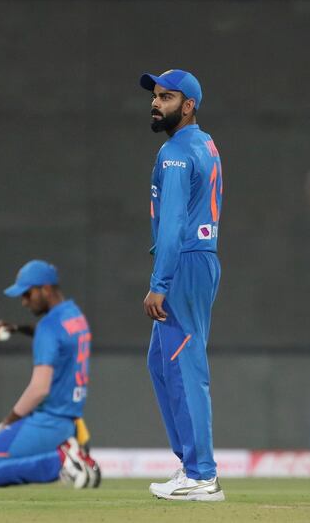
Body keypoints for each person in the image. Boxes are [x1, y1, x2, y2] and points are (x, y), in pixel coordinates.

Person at [139, 69, 224, 501]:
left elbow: (171, 226)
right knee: (161, 363)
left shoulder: (175, 152)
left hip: (185, 263)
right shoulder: (203, 143)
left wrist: (160, 282)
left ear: (188, 105)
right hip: (197, 260)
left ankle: (202, 475)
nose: (156, 103)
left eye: (166, 97)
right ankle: (190, 465)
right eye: (155, 96)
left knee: (184, 363)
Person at [0, 259, 100, 489]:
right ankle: (67, 455)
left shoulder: (49, 327)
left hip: (47, 422)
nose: (24, 302)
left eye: (27, 294)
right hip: (70, 422)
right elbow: (55, 335)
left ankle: (63, 461)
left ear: (45, 289)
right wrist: (18, 328)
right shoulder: (75, 317)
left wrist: (7, 422)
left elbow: (39, 389)